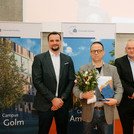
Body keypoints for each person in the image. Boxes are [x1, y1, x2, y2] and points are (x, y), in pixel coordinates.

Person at [73, 41, 123, 134]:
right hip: (89, 111)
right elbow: (75, 89)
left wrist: (116, 100)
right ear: (90, 53)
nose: (96, 53)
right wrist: (83, 95)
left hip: (106, 111)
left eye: (98, 51)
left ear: (103, 52)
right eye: (93, 51)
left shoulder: (112, 69)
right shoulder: (83, 69)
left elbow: (119, 87)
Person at [32, 32, 75, 134]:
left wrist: (61, 99)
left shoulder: (67, 59)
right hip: (45, 104)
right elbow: (37, 81)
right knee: (43, 131)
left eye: (57, 40)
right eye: (52, 40)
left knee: (62, 131)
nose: (54, 43)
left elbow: (71, 80)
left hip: (62, 104)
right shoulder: (39, 59)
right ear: (48, 42)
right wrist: (52, 99)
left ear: (60, 42)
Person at [115, 39, 134, 134]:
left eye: (133, 48)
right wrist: (131, 92)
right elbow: (119, 80)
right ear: (125, 49)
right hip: (125, 103)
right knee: (127, 130)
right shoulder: (119, 62)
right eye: (129, 48)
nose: (131, 50)